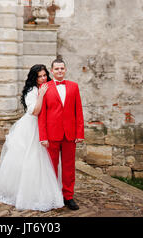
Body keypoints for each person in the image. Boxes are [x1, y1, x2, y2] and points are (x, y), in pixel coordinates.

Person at [0, 64, 64, 212]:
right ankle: (27, 193)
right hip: (31, 127)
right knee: (31, 158)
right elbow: (34, 111)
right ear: (34, 78)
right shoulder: (32, 91)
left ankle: (45, 190)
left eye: (44, 75)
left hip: (44, 125)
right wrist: (40, 95)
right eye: (39, 76)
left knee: (44, 160)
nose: (43, 78)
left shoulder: (47, 86)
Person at [38, 57, 84, 210]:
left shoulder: (74, 87)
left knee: (69, 167)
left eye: (62, 68)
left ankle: (68, 196)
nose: (59, 71)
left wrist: (80, 133)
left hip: (70, 135)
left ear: (65, 70)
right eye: (56, 69)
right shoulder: (45, 87)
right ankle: (51, 195)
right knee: (51, 167)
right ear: (52, 71)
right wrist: (43, 137)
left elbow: (79, 112)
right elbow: (42, 115)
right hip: (51, 135)